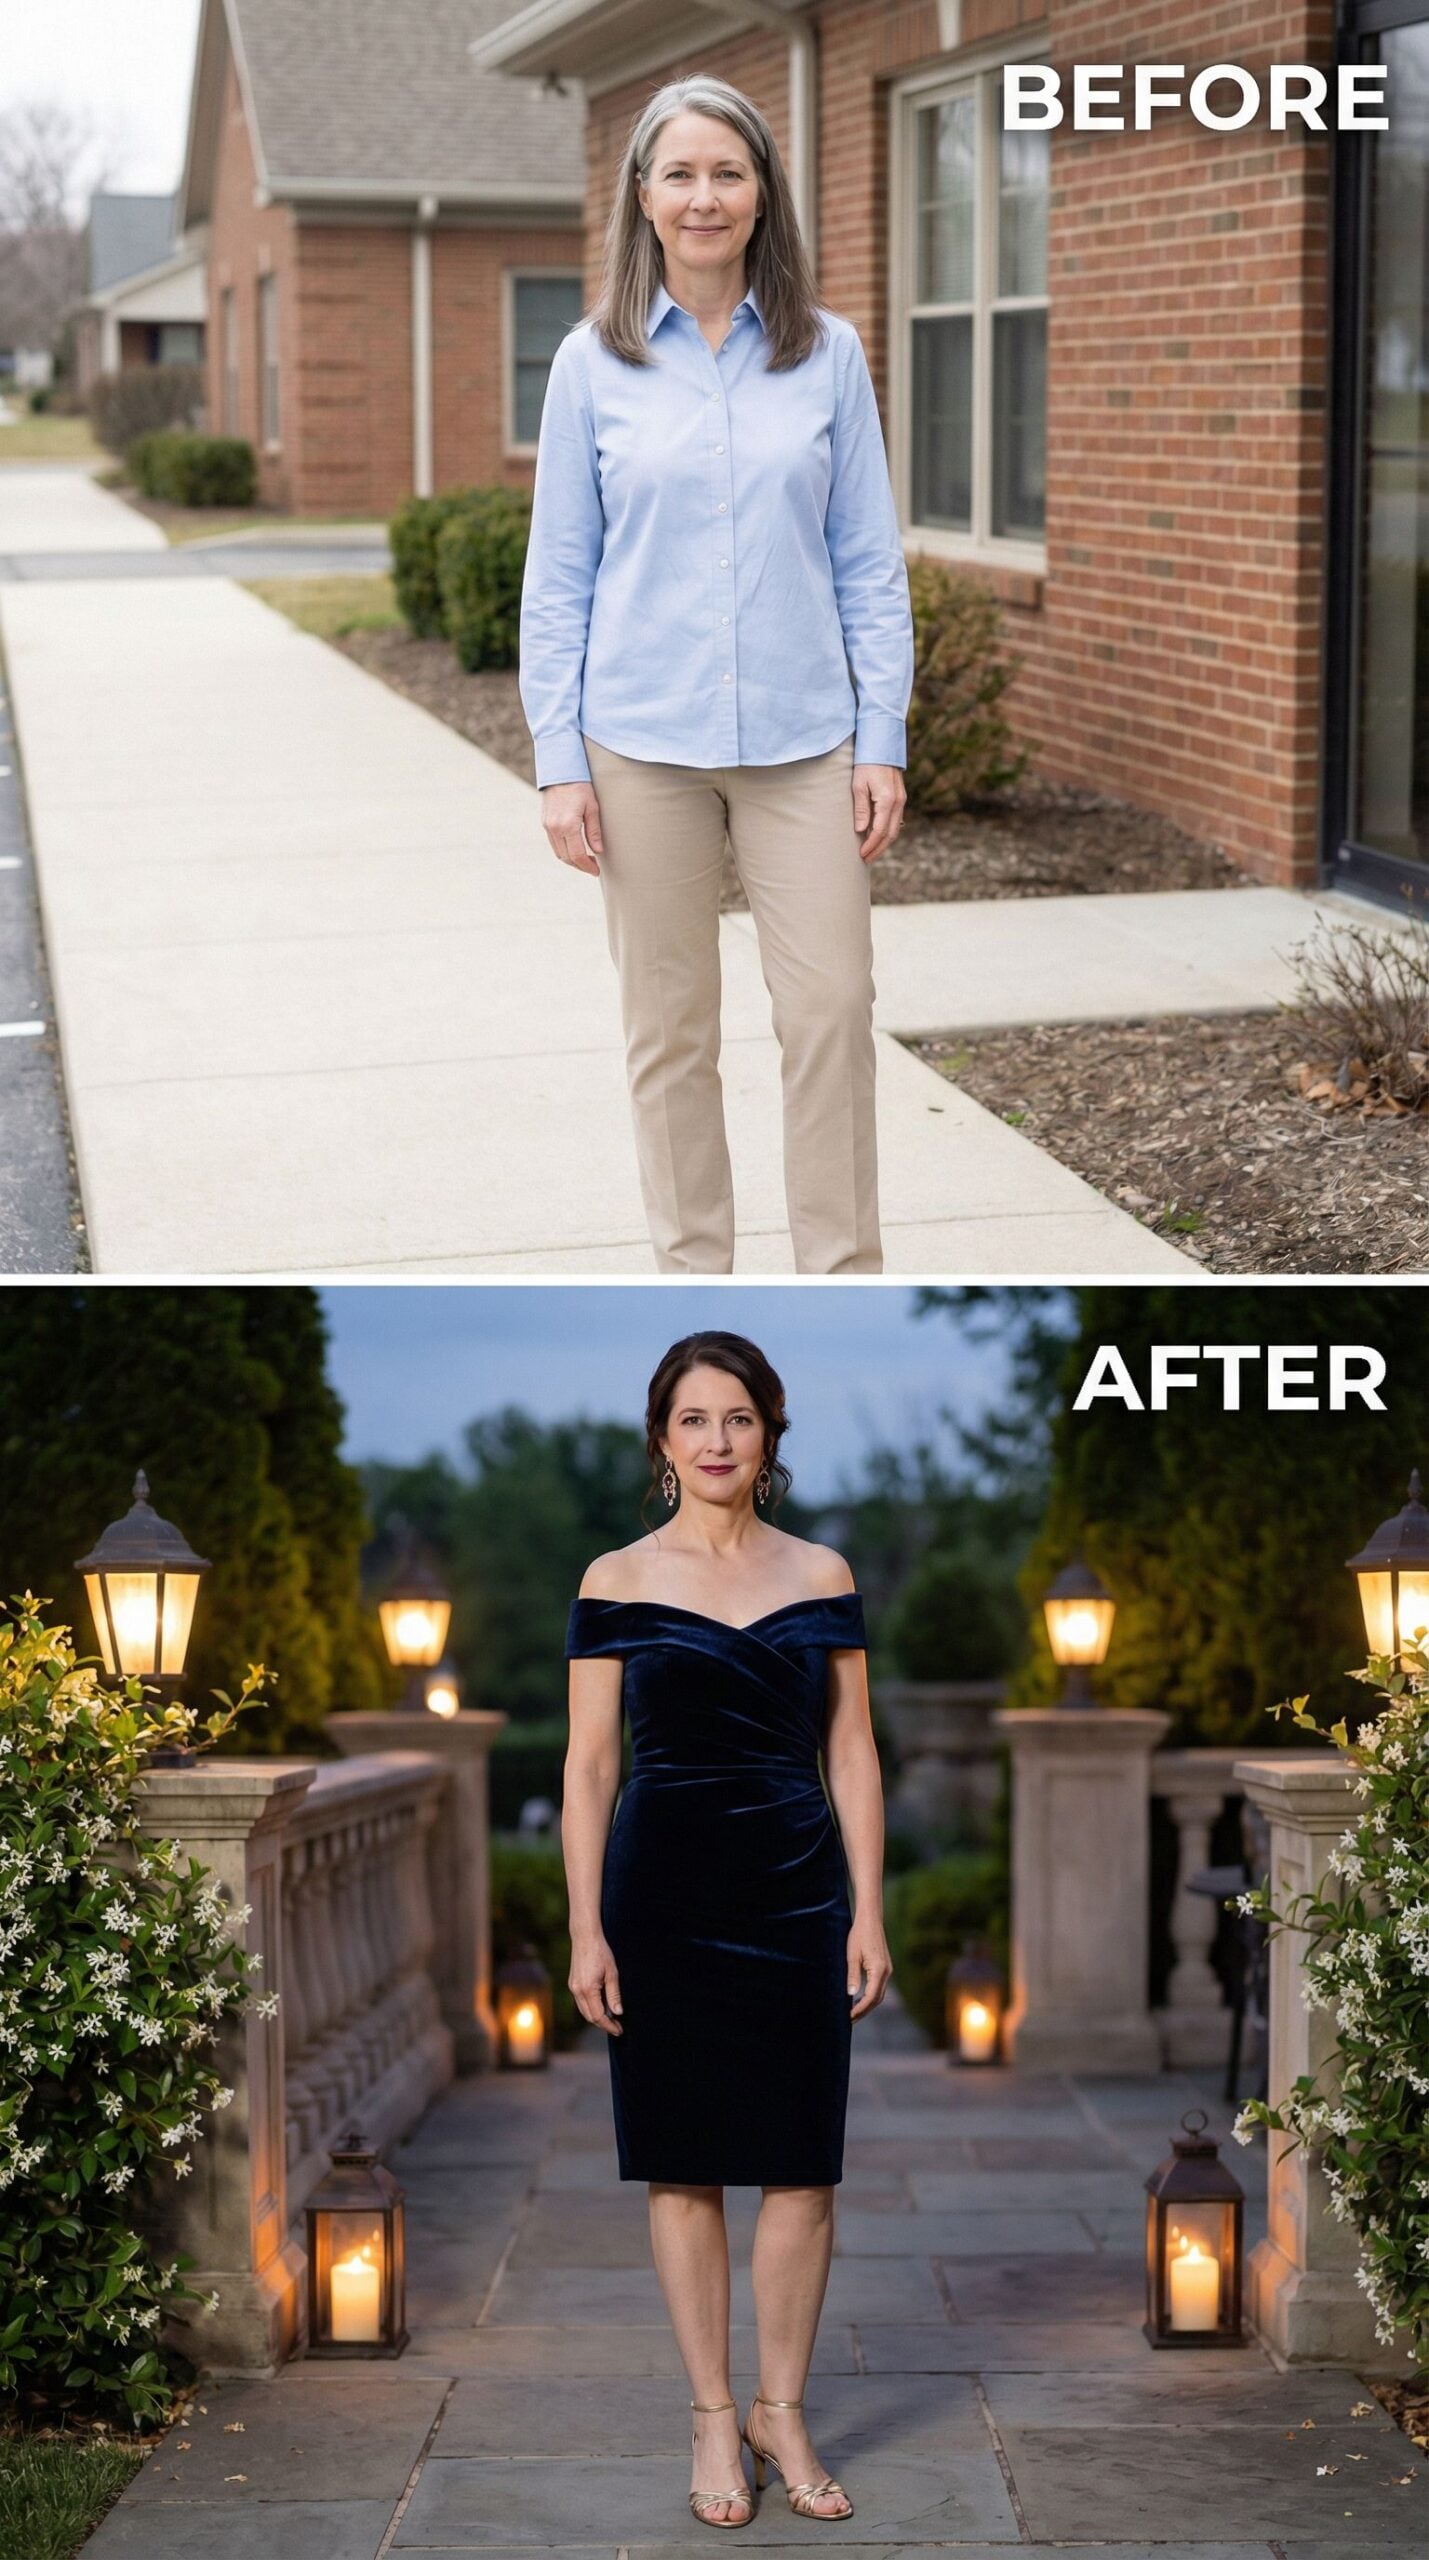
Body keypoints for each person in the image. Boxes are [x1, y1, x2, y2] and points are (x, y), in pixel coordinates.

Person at [519, 75, 914, 1277]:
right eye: (680, 174)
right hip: (640, 747)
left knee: (830, 1016)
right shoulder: (591, 364)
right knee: (671, 1034)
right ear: (642, 199)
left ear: (760, 197)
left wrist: (882, 735)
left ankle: (839, 1275)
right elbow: (558, 579)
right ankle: (693, 1275)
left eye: (727, 173)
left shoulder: (827, 353)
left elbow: (867, 560)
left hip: (805, 745)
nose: (704, 196)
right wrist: (558, 764)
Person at [561, 1330, 891, 2530]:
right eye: (693, 1419)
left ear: (769, 1436)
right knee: (682, 2157)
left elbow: (851, 1752)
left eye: (738, 1419)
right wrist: (586, 1927)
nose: (716, 1441)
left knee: (803, 2161)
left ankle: (780, 2408)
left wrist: (870, 1908)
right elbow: (590, 1764)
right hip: (664, 1895)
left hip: (797, 1888)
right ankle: (712, 2414)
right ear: (662, 1439)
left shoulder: (822, 1573)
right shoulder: (613, 1578)